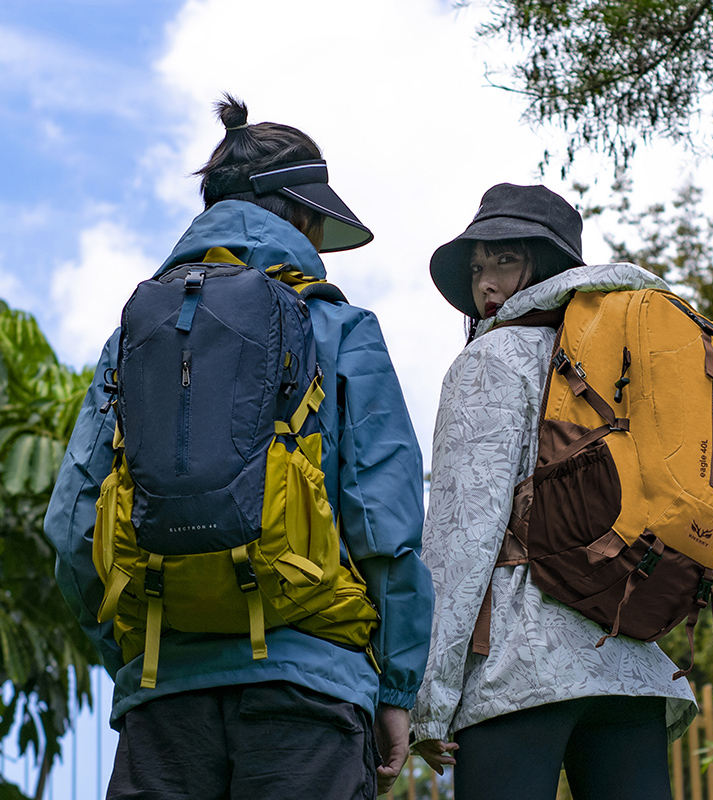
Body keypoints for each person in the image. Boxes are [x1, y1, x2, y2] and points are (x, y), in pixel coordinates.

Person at [45, 94, 433, 800]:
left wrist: (138, 656)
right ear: (300, 214)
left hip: (164, 701)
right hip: (310, 693)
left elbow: (72, 522)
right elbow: (385, 523)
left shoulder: (132, 336)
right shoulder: (340, 328)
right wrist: (395, 687)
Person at [410, 183, 697, 800]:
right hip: (632, 662)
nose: (485, 283)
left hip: (521, 669)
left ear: (549, 265)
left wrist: (429, 697)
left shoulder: (492, 358)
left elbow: (463, 531)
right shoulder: (622, 362)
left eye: (504, 261)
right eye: (478, 266)